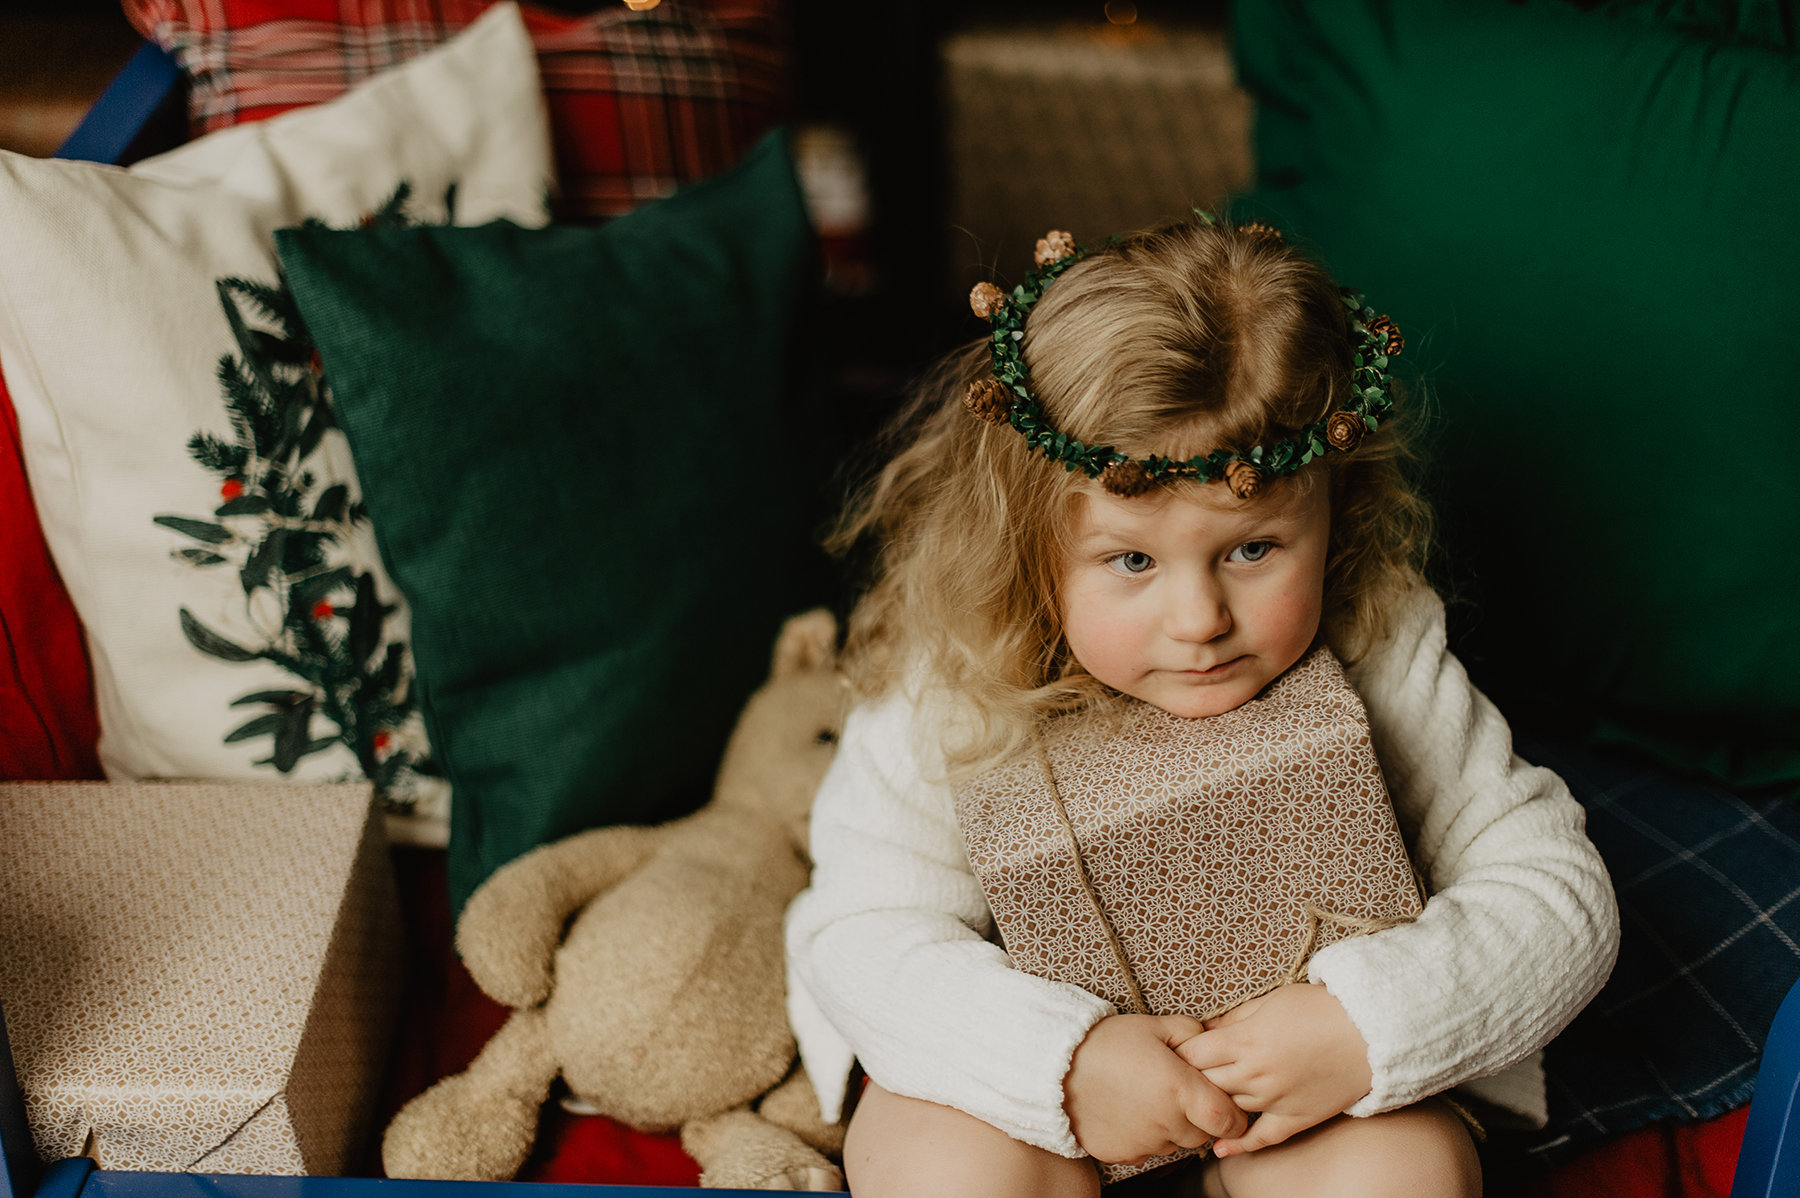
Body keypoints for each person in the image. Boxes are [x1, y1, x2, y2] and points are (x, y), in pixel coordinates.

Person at [783, 217, 1619, 1198]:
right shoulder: (956, 677)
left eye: (1252, 549)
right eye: (1131, 560)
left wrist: (1363, 1027)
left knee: (1401, 1176)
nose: (1199, 620)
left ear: (1333, 513)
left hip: (1295, 1091)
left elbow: (1558, 895)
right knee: (947, 1166)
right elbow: (863, 931)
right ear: (1027, 536)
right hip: (1024, 1091)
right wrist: (1060, 1061)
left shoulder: (1379, 641)